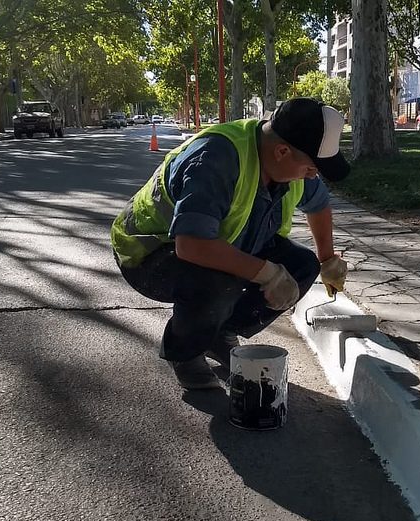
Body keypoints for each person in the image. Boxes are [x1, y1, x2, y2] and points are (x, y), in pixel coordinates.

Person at [110, 97, 350, 389]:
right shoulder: (216, 158)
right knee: (220, 279)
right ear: (282, 151)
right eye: (312, 168)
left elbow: (319, 205)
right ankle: (185, 352)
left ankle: (220, 333)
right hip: (150, 255)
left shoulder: (293, 161)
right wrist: (268, 273)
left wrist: (327, 261)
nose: (313, 176)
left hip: (220, 243)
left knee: (302, 266)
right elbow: (192, 245)